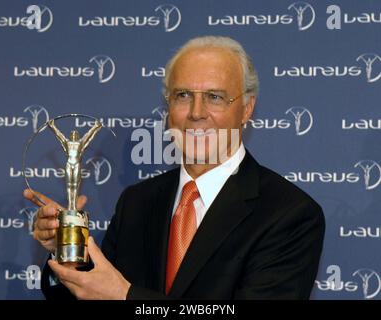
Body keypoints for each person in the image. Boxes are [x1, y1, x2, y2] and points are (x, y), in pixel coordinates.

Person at [23, 36, 325, 300]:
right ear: (167, 108)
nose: (196, 113)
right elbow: (91, 294)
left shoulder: (289, 214)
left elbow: (115, 294)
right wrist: (65, 251)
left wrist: (126, 296)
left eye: (214, 97)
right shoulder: (137, 201)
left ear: (246, 109)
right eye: (183, 96)